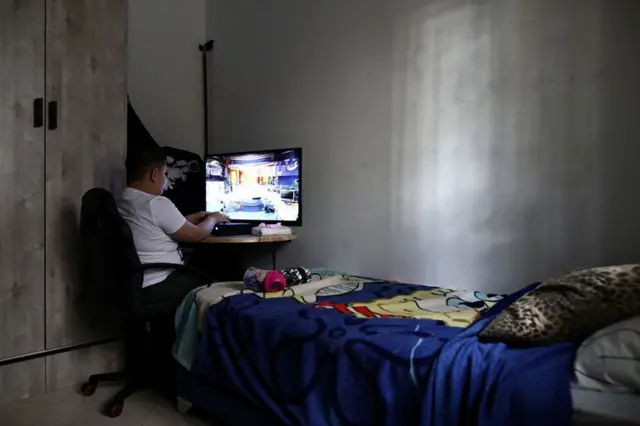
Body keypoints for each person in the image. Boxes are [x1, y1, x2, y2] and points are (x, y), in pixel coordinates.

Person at [118, 145, 228, 307]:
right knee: (215, 281)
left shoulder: (124, 199)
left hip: (133, 282)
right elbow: (197, 235)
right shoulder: (156, 203)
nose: (166, 179)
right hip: (160, 281)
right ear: (154, 174)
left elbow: (152, 225)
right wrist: (213, 219)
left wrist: (191, 218)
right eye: (165, 173)